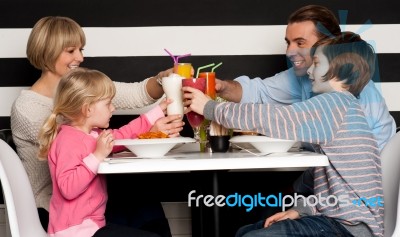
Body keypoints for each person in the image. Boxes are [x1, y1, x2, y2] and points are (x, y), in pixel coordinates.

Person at [183, 32, 383, 237]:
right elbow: (337, 183)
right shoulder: (345, 107)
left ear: (341, 71)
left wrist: (210, 108)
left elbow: (274, 117)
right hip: (338, 220)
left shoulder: (335, 103)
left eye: (316, 63)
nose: (310, 71)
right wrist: (302, 210)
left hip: (349, 228)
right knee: (246, 231)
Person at [10, 16, 180, 236]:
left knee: (141, 193)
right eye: (71, 50)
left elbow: (135, 94)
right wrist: (147, 127)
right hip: (56, 212)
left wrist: (162, 81)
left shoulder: (83, 94)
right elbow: (84, 143)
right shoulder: (30, 108)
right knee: (135, 201)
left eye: (81, 49)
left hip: (88, 199)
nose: (80, 57)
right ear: (47, 52)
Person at [215, 4, 395, 152]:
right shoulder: (303, 75)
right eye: (288, 42)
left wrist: (211, 109)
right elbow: (258, 92)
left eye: (300, 43)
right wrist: (221, 87)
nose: (289, 52)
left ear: (328, 44)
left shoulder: (350, 89)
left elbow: (349, 158)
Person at [38, 67, 166, 237]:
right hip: (75, 231)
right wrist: (97, 156)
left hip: (91, 227)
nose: (113, 108)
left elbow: (123, 135)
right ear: (87, 109)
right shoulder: (67, 140)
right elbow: (68, 188)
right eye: (108, 103)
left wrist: (157, 112)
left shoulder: (93, 135)